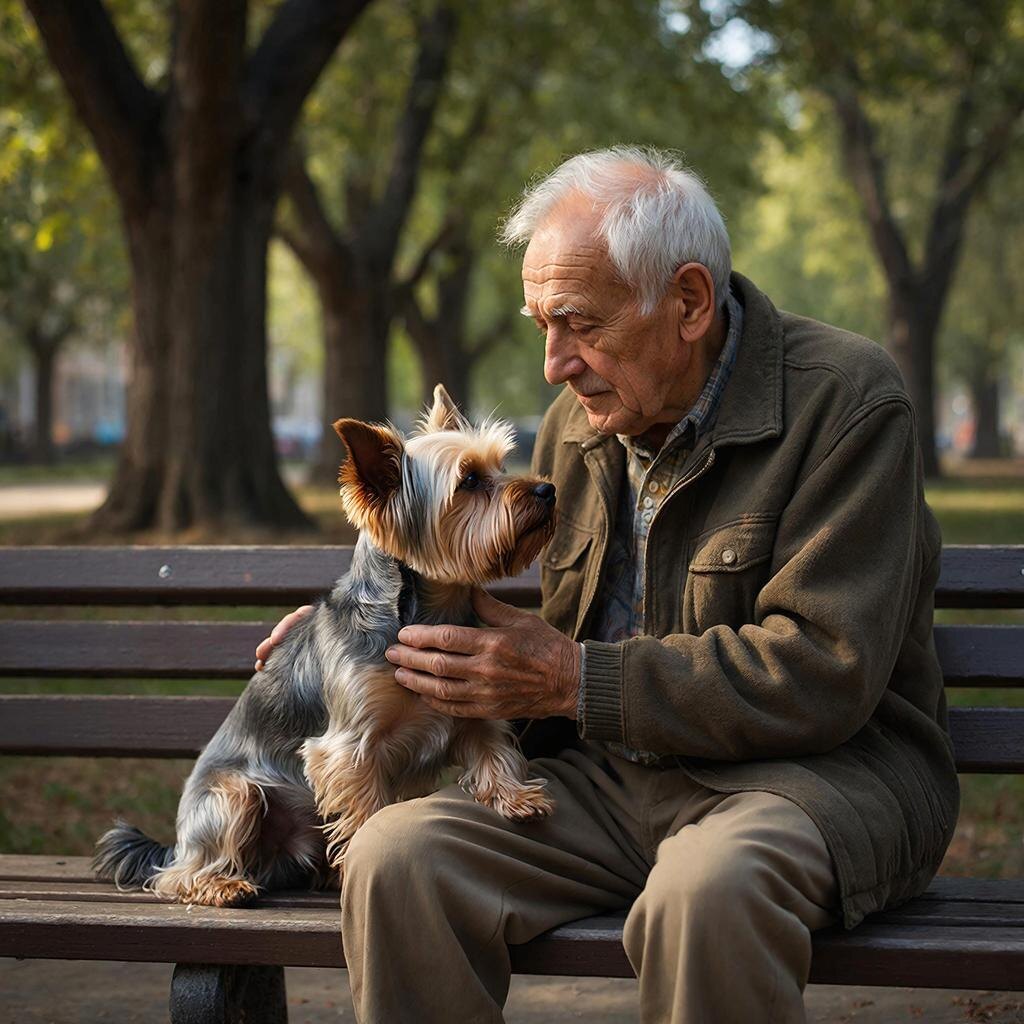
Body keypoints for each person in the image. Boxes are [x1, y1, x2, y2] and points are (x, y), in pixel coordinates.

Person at [256, 147, 959, 1024]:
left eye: (578, 323)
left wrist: (579, 681)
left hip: (811, 783)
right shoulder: (579, 423)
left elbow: (827, 667)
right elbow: (509, 612)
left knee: (705, 892)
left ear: (690, 303)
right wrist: (356, 636)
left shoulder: (846, 403)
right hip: (609, 784)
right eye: (540, 323)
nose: (554, 362)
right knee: (399, 854)